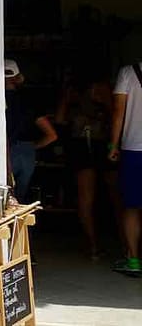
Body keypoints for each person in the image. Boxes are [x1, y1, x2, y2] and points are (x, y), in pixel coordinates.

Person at [57, 76, 118, 260]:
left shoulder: (78, 93)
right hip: (95, 145)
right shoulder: (94, 92)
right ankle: (102, 246)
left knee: (97, 198)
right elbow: (117, 115)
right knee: (107, 197)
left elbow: (60, 119)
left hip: (91, 146)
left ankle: (98, 246)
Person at [5, 60, 59, 203]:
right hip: (26, 153)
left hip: (4, 151)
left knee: (1, 199)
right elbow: (52, 135)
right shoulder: (30, 101)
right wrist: (32, 146)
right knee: (21, 201)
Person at [110, 62, 142, 276]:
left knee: (132, 207)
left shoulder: (128, 73)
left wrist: (113, 145)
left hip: (133, 148)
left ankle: (133, 259)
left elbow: (118, 113)